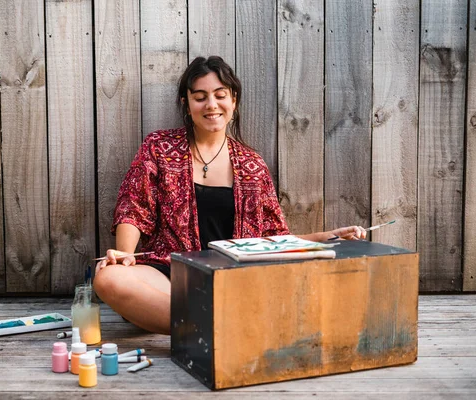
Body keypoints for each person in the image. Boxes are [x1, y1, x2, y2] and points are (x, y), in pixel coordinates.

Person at [93, 56, 366, 335]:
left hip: (232, 280)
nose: (211, 105)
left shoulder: (252, 165)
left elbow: (273, 239)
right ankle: (222, 327)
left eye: (220, 95)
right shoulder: (159, 147)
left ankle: (199, 322)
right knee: (108, 278)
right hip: (168, 274)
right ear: (186, 104)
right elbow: (133, 208)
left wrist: (325, 237)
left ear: (233, 101)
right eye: (200, 97)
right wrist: (125, 255)